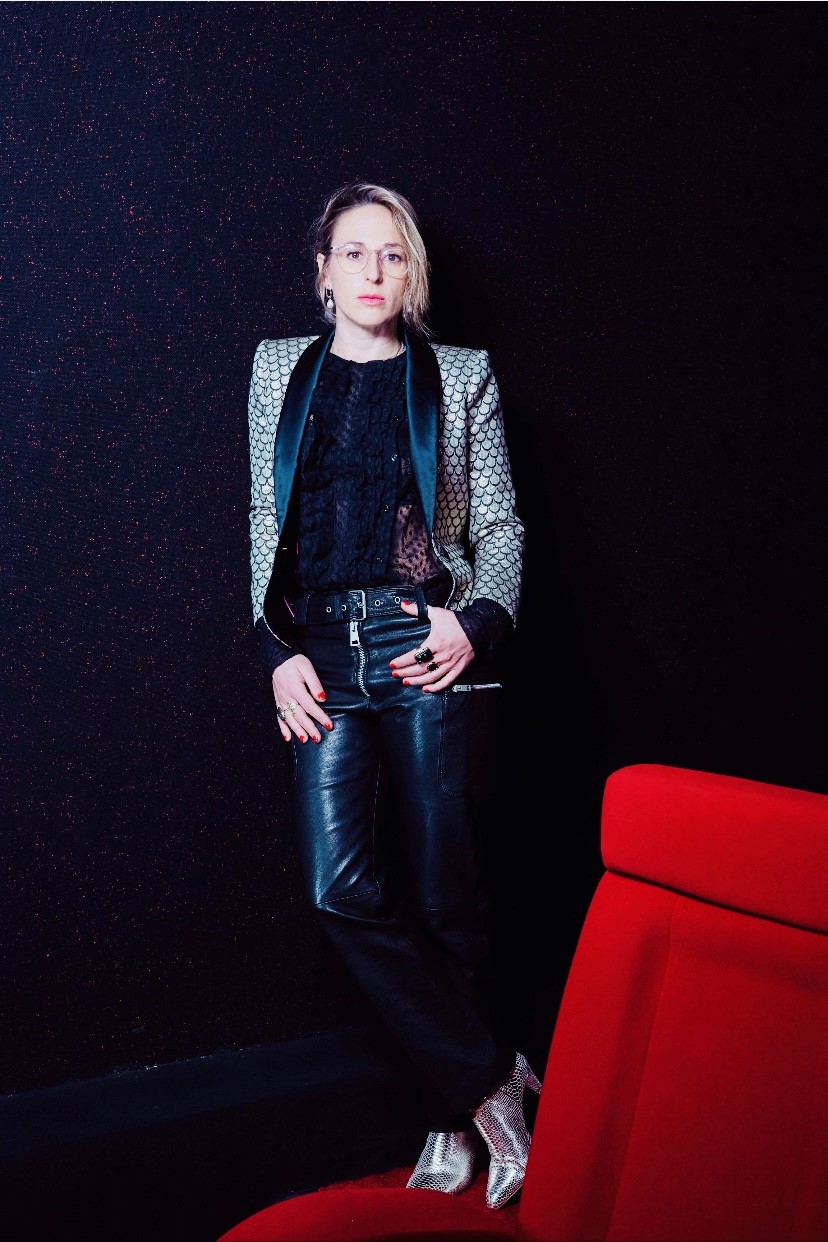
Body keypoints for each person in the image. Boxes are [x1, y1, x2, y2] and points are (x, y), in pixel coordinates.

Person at [246, 181, 539, 1210]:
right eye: (354, 253)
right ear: (322, 271)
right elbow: (264, 519)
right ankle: (493, 1081)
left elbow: (497, 526)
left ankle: (449, 1117)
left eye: (393, 255)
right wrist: (273, 648)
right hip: (323, 653)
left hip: (426, 642)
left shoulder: (459, 374)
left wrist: (476, 621)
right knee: (339, 888)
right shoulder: (277, 370)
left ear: (412, 274)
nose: (373, 272)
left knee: (447, 889)